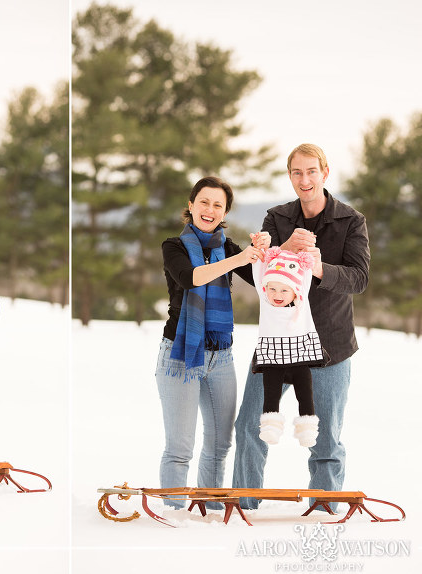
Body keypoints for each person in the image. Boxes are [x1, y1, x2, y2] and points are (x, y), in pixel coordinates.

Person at [233, 143, 370, 511]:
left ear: (325, 173)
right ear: (290, 176)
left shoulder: (351, 221)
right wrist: (283, 248)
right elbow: (257, 274)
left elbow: (359, 279)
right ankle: (243, 507)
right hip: (276, 344)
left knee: (325, 439)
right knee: (250, 428)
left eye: (312, 171)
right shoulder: (276, 217)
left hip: (330, 347)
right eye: (297, 172)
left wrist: (319, 266)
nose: (304, 179)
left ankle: (324, 511)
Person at [157, 176, 268, 509]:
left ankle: (209, 507)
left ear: (225, 213)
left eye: (218, 205)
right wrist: (239, 259)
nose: (210, 209)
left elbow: (264, 278)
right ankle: (174, 514)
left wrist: (265, 250)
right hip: (180, 353)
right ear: (191, 206)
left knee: (220, 444)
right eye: (203, 202)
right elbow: (192, 277)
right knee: (180, 448)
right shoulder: (173, 247)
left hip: (221, 356)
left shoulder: (228, 248)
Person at [251, 246, 328, 447]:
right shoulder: (266, 302)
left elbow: (305, 275)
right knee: (271, 396)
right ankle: (270, 428)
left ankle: (307, 430)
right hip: (273, 360)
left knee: (305, 395)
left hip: (299, 360)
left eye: (284, 290)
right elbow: (258, 269)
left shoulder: (301, 305)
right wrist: (260, 249)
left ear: (295, 291)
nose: (277, 294)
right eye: (273, 289)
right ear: (265, 288)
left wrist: (309, 252)